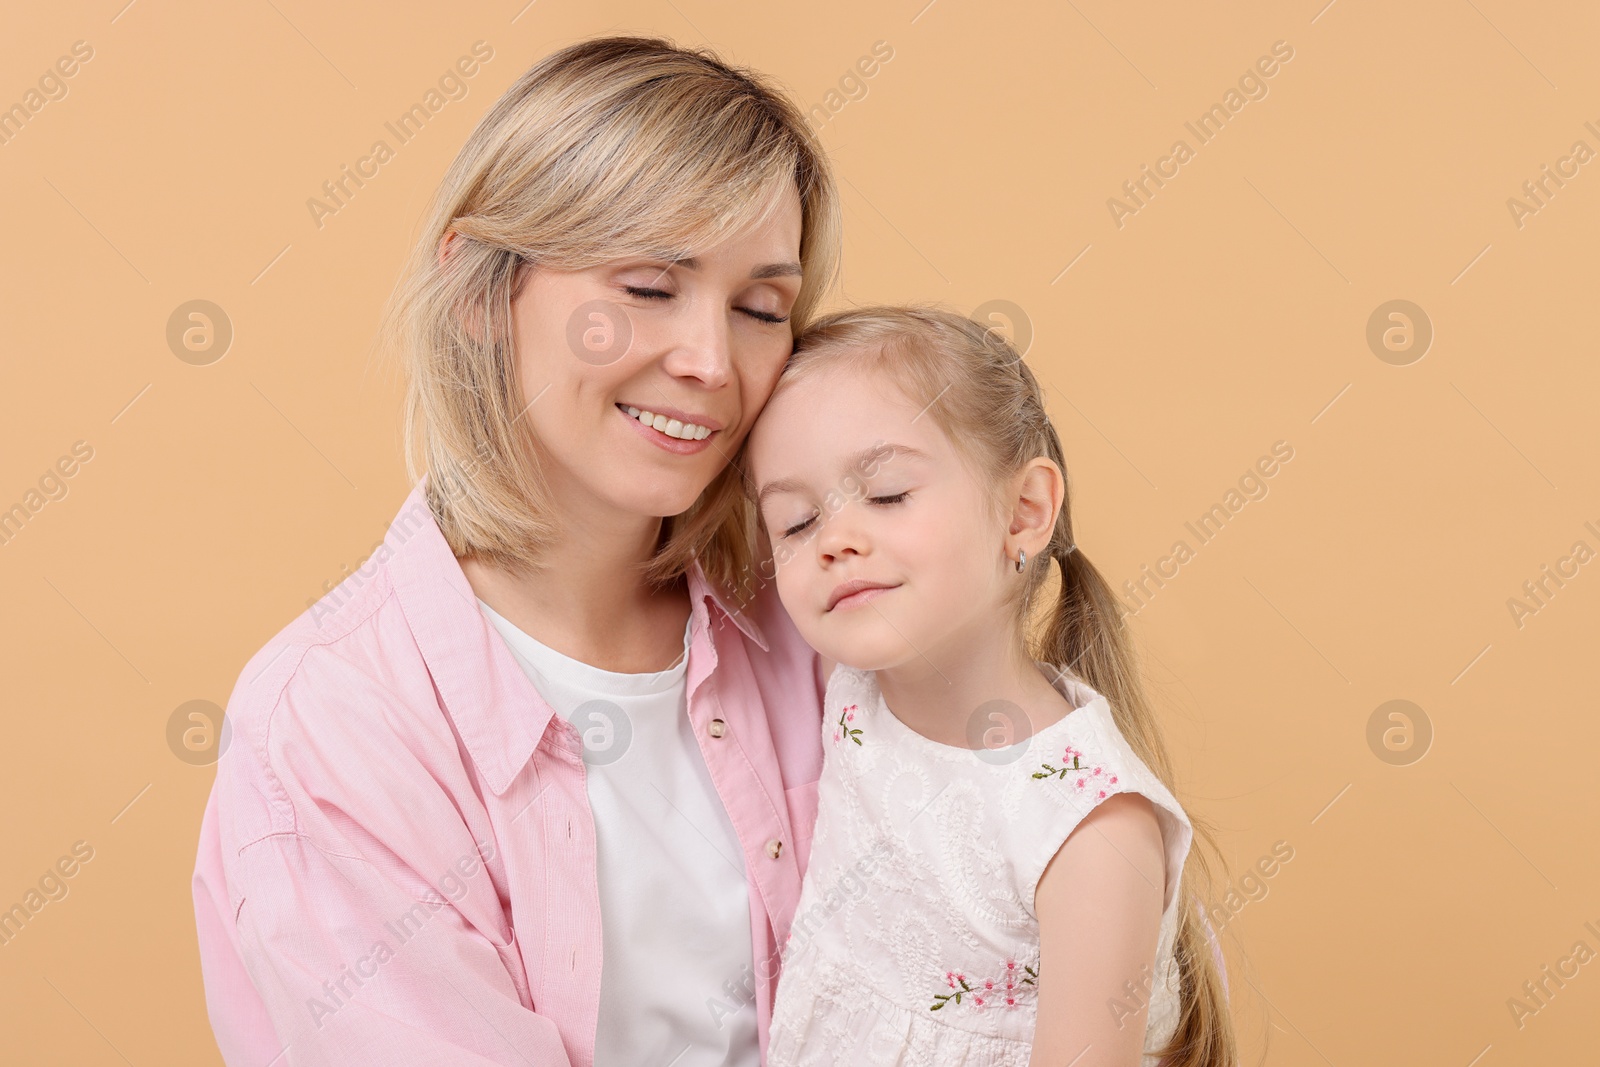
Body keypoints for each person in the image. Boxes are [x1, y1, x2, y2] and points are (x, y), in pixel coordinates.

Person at [191, 36, 841, 1066]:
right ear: (483, 294)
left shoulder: (827, 619)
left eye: (761, 309)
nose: (712, 362)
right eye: (646, 286)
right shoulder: (328, 725)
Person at [743, 307, 1236, 1067]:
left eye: (888, 494)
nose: (835, 539)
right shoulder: (851, 693)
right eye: (797, 521)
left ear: (1024, 511)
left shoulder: (1088, 830)